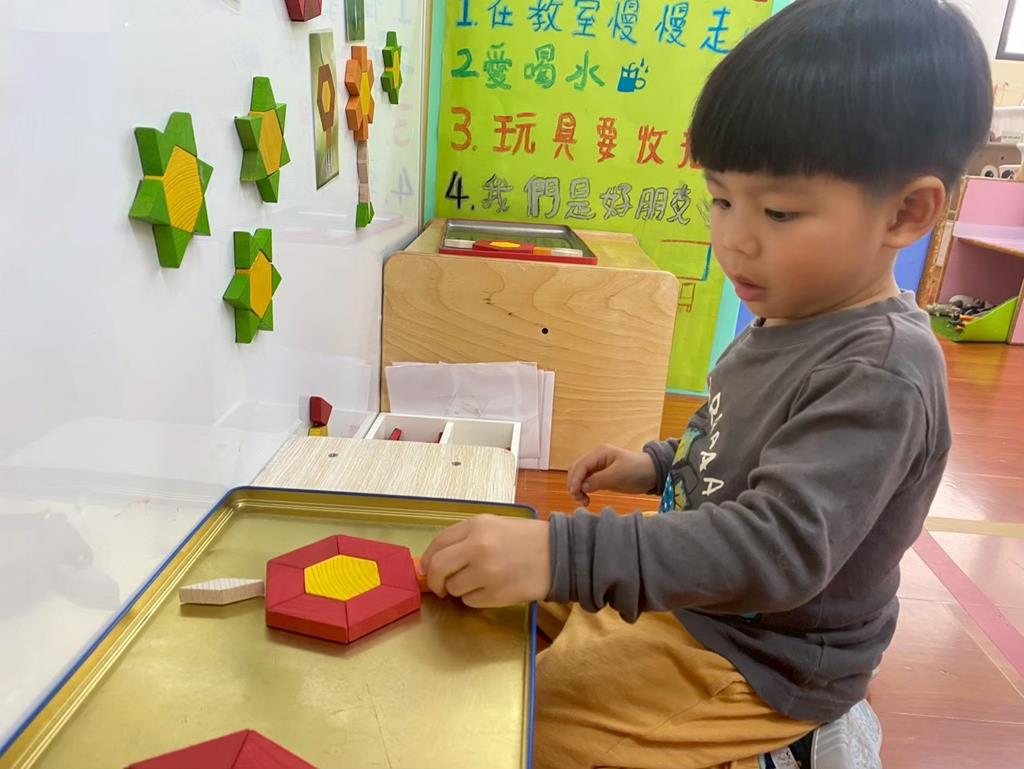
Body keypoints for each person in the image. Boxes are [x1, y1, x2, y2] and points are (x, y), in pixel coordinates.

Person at [420, 0, 993, 766]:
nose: (733, 239)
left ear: (907, 213)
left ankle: (802, 742)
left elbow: (776, 547)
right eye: (721, 198)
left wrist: (562, 554)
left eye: (778, 212)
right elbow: (732, 433)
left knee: (524, 734)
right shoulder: (791, 309)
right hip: (696, 596)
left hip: (763, 654)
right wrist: (656, 464)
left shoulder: (882, 371)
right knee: (470, 602)